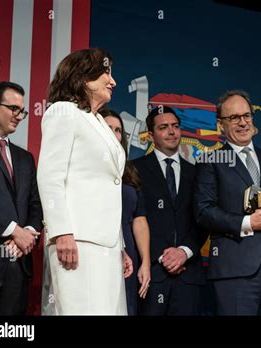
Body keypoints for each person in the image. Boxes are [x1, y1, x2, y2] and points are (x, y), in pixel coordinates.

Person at [37, 48, 133, 315]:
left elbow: (108, 187)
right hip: (78, 242)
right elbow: (49, 175)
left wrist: (120, 246)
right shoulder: (64, 112)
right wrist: (61, 232)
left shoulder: (99, 121)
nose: (113, 82)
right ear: (83, 76)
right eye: (107, 73)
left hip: (107, 245)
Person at [194, 90, 261, 315]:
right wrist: (248, 223)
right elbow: (204, 212)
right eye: (234, 118)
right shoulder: (210, 160)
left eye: (247, 115)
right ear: (220, 125)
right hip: (234, 267)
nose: (243, 122)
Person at [132, 106, 207, 315]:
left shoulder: (198, 172)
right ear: (150, 135)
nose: (172, 132)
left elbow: (204, 220)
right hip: (150, 273)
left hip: (189, 276)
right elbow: (133, 218)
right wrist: (163, 257)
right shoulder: (133, 169)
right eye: (163, 127)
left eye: (175, 126)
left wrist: (184, 252)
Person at [0, 81, 42, 315]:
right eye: (13, 108)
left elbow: (36, 205)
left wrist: (26, 232)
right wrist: (15, 231)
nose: (19, 116)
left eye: (22, 111)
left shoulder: (25, 158)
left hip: (19, 267)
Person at [102, 109, 151, 315]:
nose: (114, 134)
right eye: (108, 128)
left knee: (125, 308)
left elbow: (139, 220)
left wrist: (145, 263)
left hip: (128, 251)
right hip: (99, 246)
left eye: (118, 130)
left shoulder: (129, 171)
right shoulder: (84, 166)